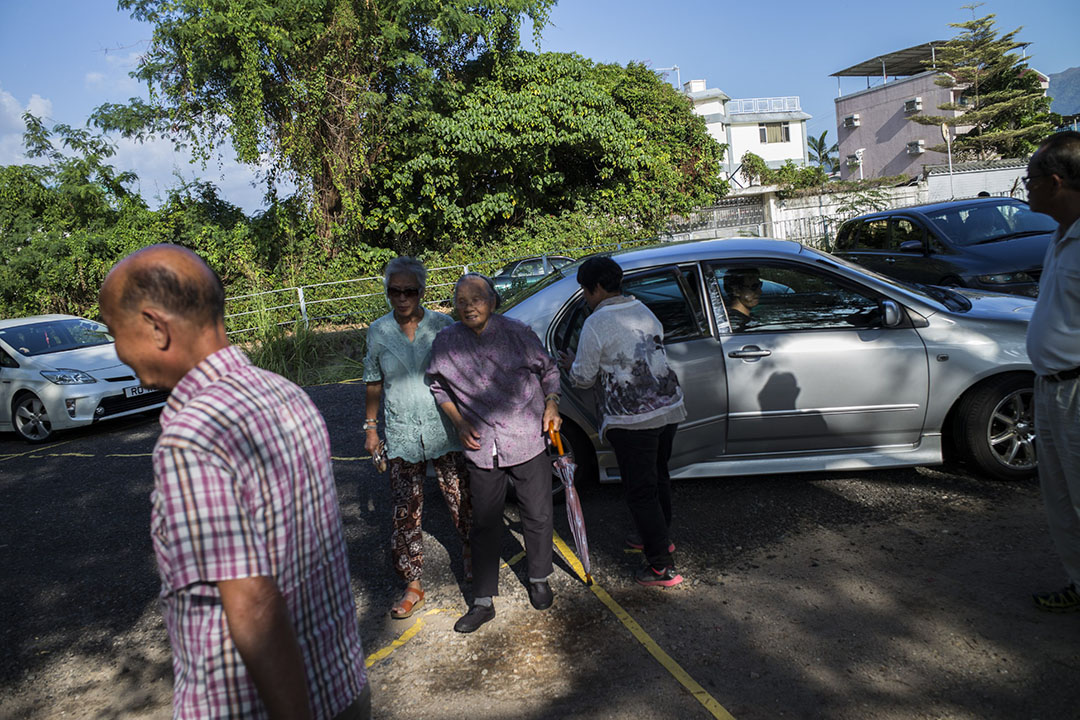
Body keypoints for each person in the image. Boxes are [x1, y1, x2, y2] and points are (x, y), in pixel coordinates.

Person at [98, 245, 369, 719]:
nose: (117, 351)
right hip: (340, 682)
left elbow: (253, 602)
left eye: (114, 332)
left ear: (156, 327)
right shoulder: (285, 393)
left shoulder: (192, 437)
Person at [427, 273, 562, 633]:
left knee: (537, 513)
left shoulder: (518, 332)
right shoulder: (446, 341)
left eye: (477, 298)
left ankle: (539, 578)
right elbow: (437, 386)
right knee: (484, 523)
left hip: (527, 437)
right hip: (481, 445)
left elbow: (549, 371)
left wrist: (551, 405)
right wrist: (458, 422)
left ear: (493, 301)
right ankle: (483, 601)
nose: (469, 306)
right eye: (461, 300)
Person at [558, 256, 687, 587]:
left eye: (586, 292)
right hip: (668, 408)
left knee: (640, 491)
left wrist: (573, 363)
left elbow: (583, 379)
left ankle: (661, 566)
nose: (586, 298)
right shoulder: (643, 309)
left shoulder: (597, 323)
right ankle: (658, 538)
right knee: (658, 479)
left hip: (633, 419)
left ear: (598, 288)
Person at [362, 256, 472, 619]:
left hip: (444, 428)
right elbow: (373, 381)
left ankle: (476, 570)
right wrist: (372, 428)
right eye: (395, 291)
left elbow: (461, 374)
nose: (403, 297)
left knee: (463, 502)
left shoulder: (442, 326)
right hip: (401, 431)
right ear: (387, 292)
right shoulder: (378, 331)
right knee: (404, 513)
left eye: (410, 291)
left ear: (422, 291)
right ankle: (412, 584)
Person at [1024, 130, 1080, 613]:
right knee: (1062, 500)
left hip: (1077, 388)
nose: (1027, 188)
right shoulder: (1061, 235)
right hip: (1051, 387)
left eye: (1032, 179)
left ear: (1055, 182)